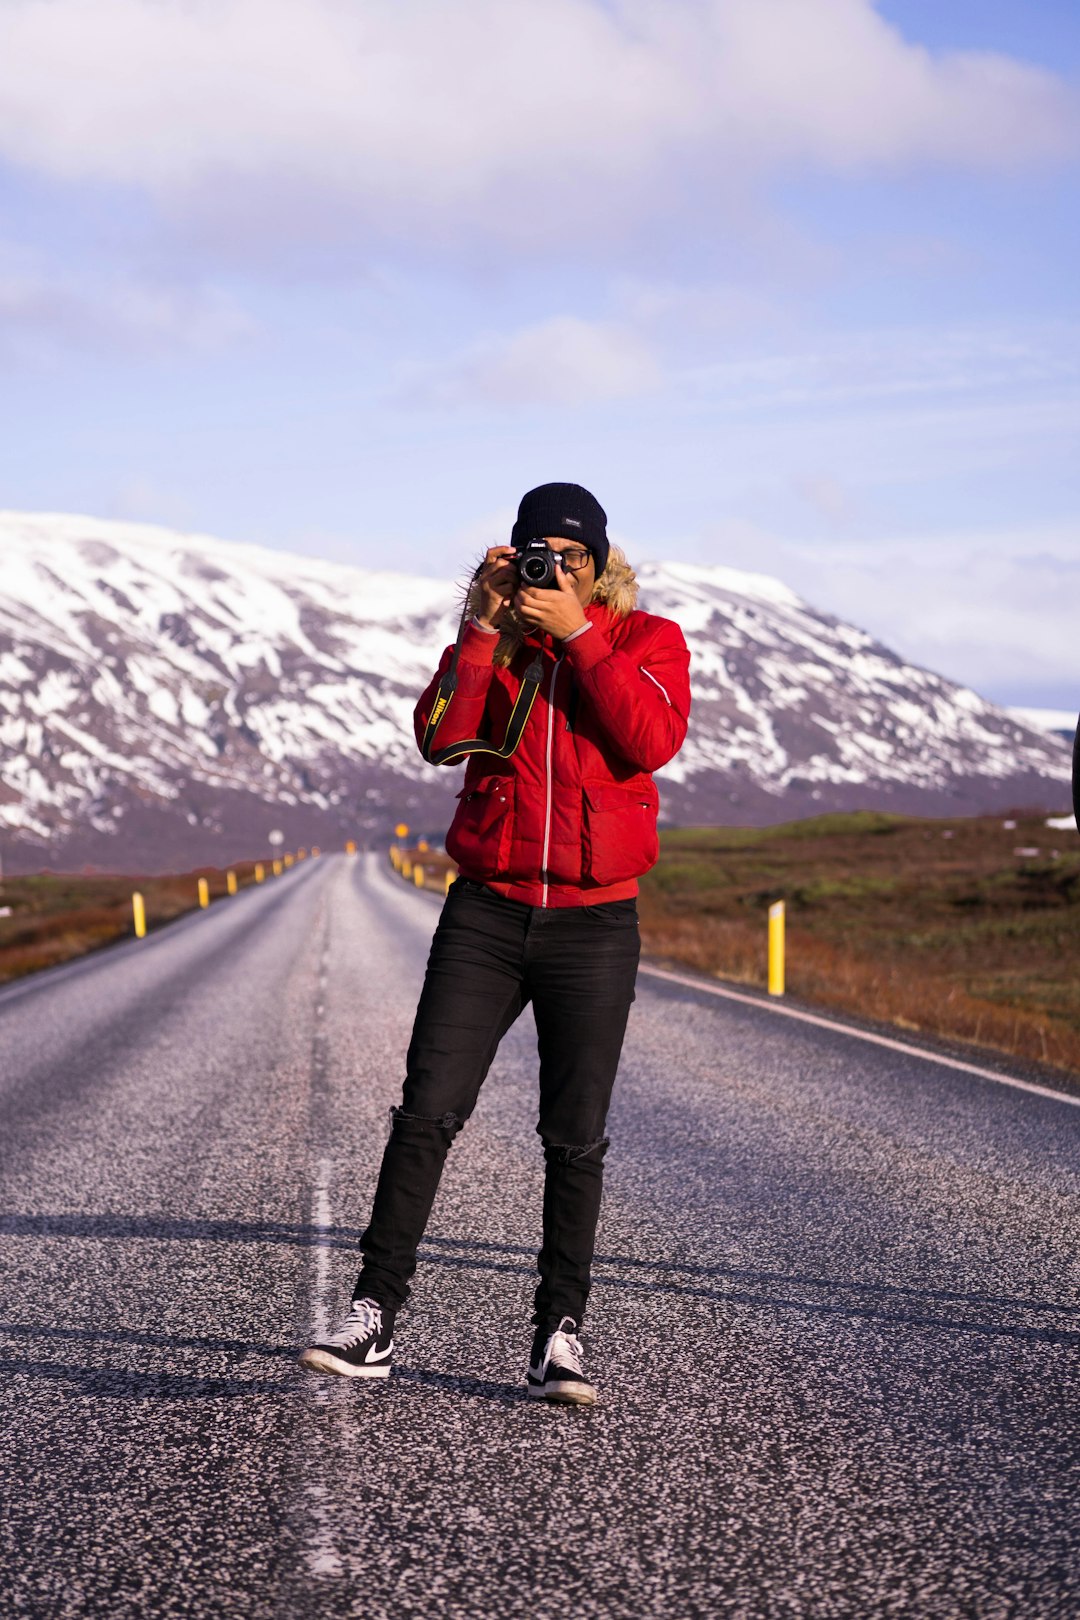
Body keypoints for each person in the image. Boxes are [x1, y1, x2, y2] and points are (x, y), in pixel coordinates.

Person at [300, 482, 691, 1403]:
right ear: (511, 561)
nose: (552, 567)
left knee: (575, 1135)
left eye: (571, 554)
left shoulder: (646, 641)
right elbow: (440, 741)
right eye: (535, 553)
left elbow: (651, 738)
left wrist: (580, 636)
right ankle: (373, 1316)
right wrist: (483, 634)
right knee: (426, 1111)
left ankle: (559, 1335)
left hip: (595, 922)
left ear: (598, 565)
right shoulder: (493, 642)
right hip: (486, 911)